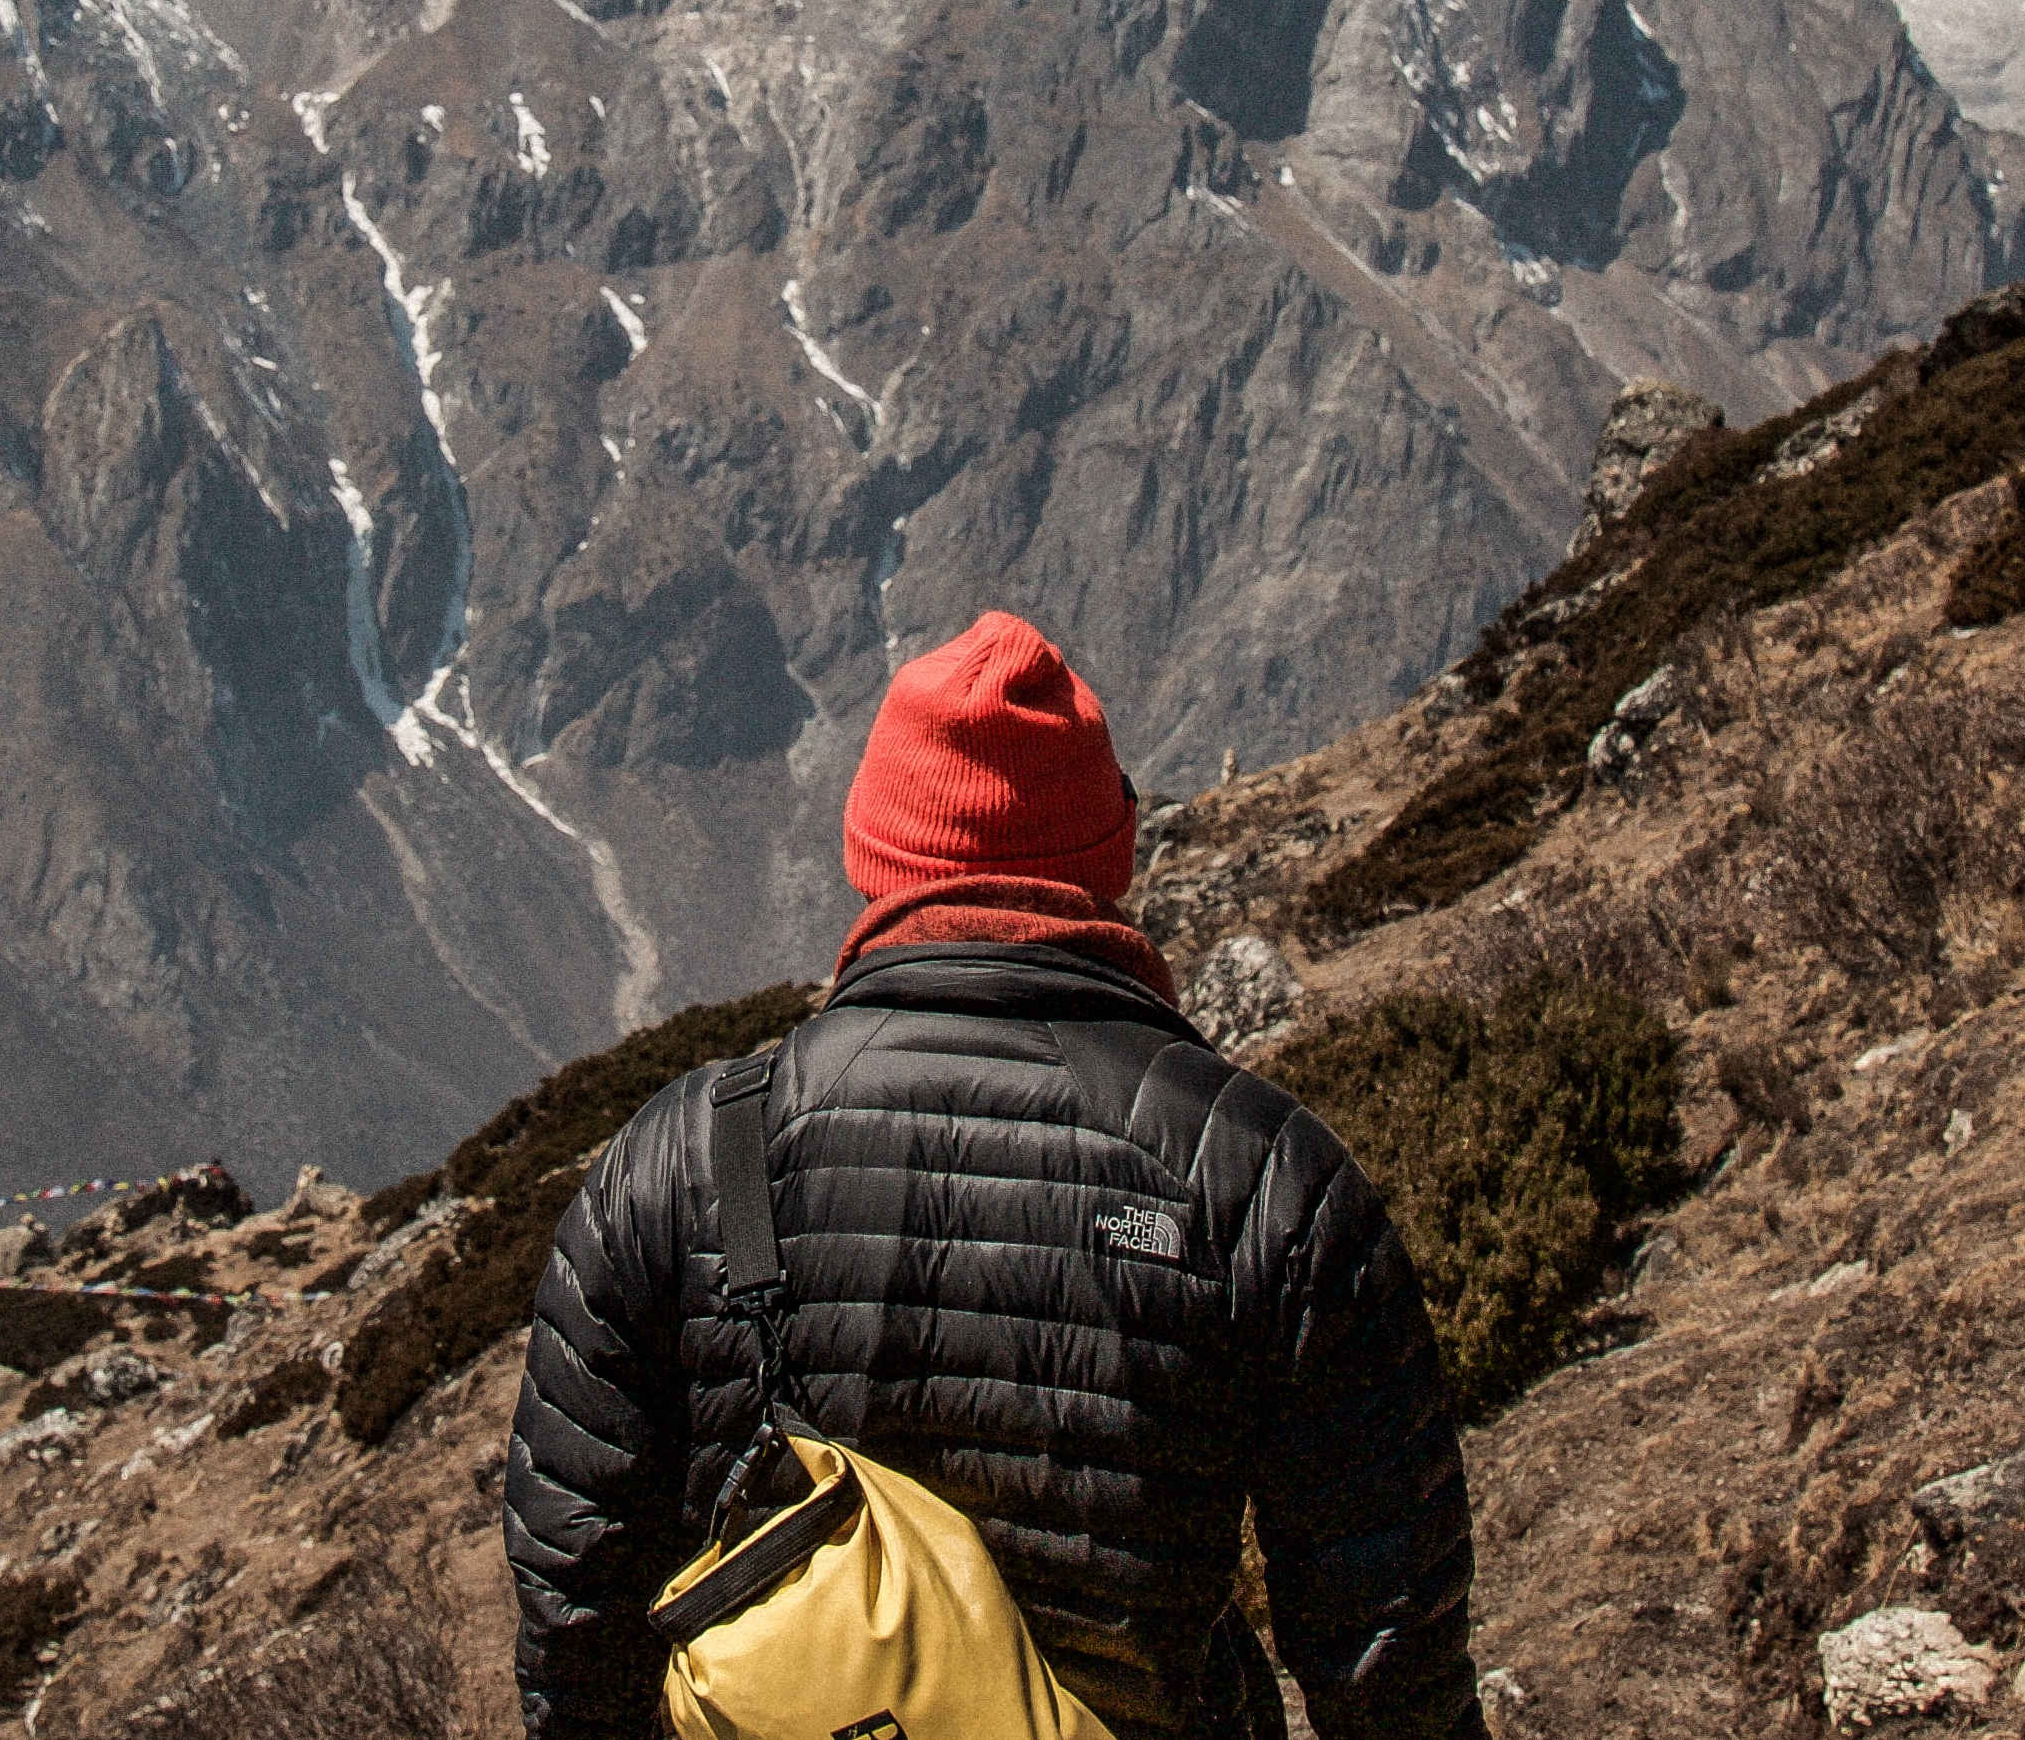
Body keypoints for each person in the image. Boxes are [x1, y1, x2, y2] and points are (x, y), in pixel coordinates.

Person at [503, 610, 1482, 1740]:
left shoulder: (680, 1159)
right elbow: (1389, 1655)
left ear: (874, 852)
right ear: (1104, 856)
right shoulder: (1259, 1178)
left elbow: (574, 1600)